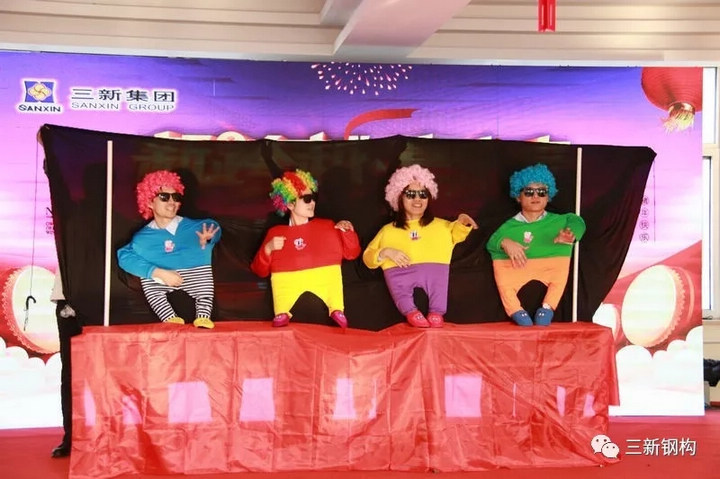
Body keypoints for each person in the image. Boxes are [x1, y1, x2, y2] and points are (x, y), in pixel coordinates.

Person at [363, 164, 478, 328]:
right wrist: (385, 252)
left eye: (423, 194)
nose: (417, 199)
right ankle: (411, 312)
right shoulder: (387, 231)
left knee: (438, 291)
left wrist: (463, 222)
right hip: (399, 276)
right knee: (401, 293)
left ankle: (436, 313)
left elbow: (457, 234)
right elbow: (368, 258)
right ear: (399, 197)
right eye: (411, 194)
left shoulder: (442, 226)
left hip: (435, 274)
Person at [250, 169, 360, 328]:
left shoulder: (328, 226)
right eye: (307, 199)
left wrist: (348, 232)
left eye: (313, 198)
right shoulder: (275, 233)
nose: (312, 203)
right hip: (292, 311)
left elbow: (352, 253)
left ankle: (337, 309)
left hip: (322, 315)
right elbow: (259, 270)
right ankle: (282, 312)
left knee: (333, 295)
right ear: (290, 204)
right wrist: (268, 249)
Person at [117, 170, 221, 328]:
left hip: (198, 277)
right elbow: (124, 256)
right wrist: (157, 272)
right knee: (150, 285)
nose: (172, 202)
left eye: (176, 197)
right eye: (164, 197)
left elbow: (213, 227)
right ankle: (169, 317)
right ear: (149, 202)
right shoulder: (142, 239)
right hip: (163, 292)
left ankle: (203, 316)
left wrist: (209, 237)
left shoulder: (195, 228)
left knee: (204, 292)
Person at [486, 163, 586, 326]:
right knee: (505, 284)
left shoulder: (561, 221)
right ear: (518, 196)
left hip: (553, 268)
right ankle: (515, 311)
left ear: (548, 196)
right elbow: (491, 243)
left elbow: (577, 221)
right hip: (515, 269)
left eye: (541, 191)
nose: (535, 196)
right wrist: (505, 242)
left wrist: (571, 234)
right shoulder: (507, 227)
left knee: (558, 281)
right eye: (529, 192)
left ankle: (548, 308)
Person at [49, 273, 82, 458]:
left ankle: (112, 435)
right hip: (68, 297)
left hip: (109, 294)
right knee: (71, 372)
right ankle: (72, 437)